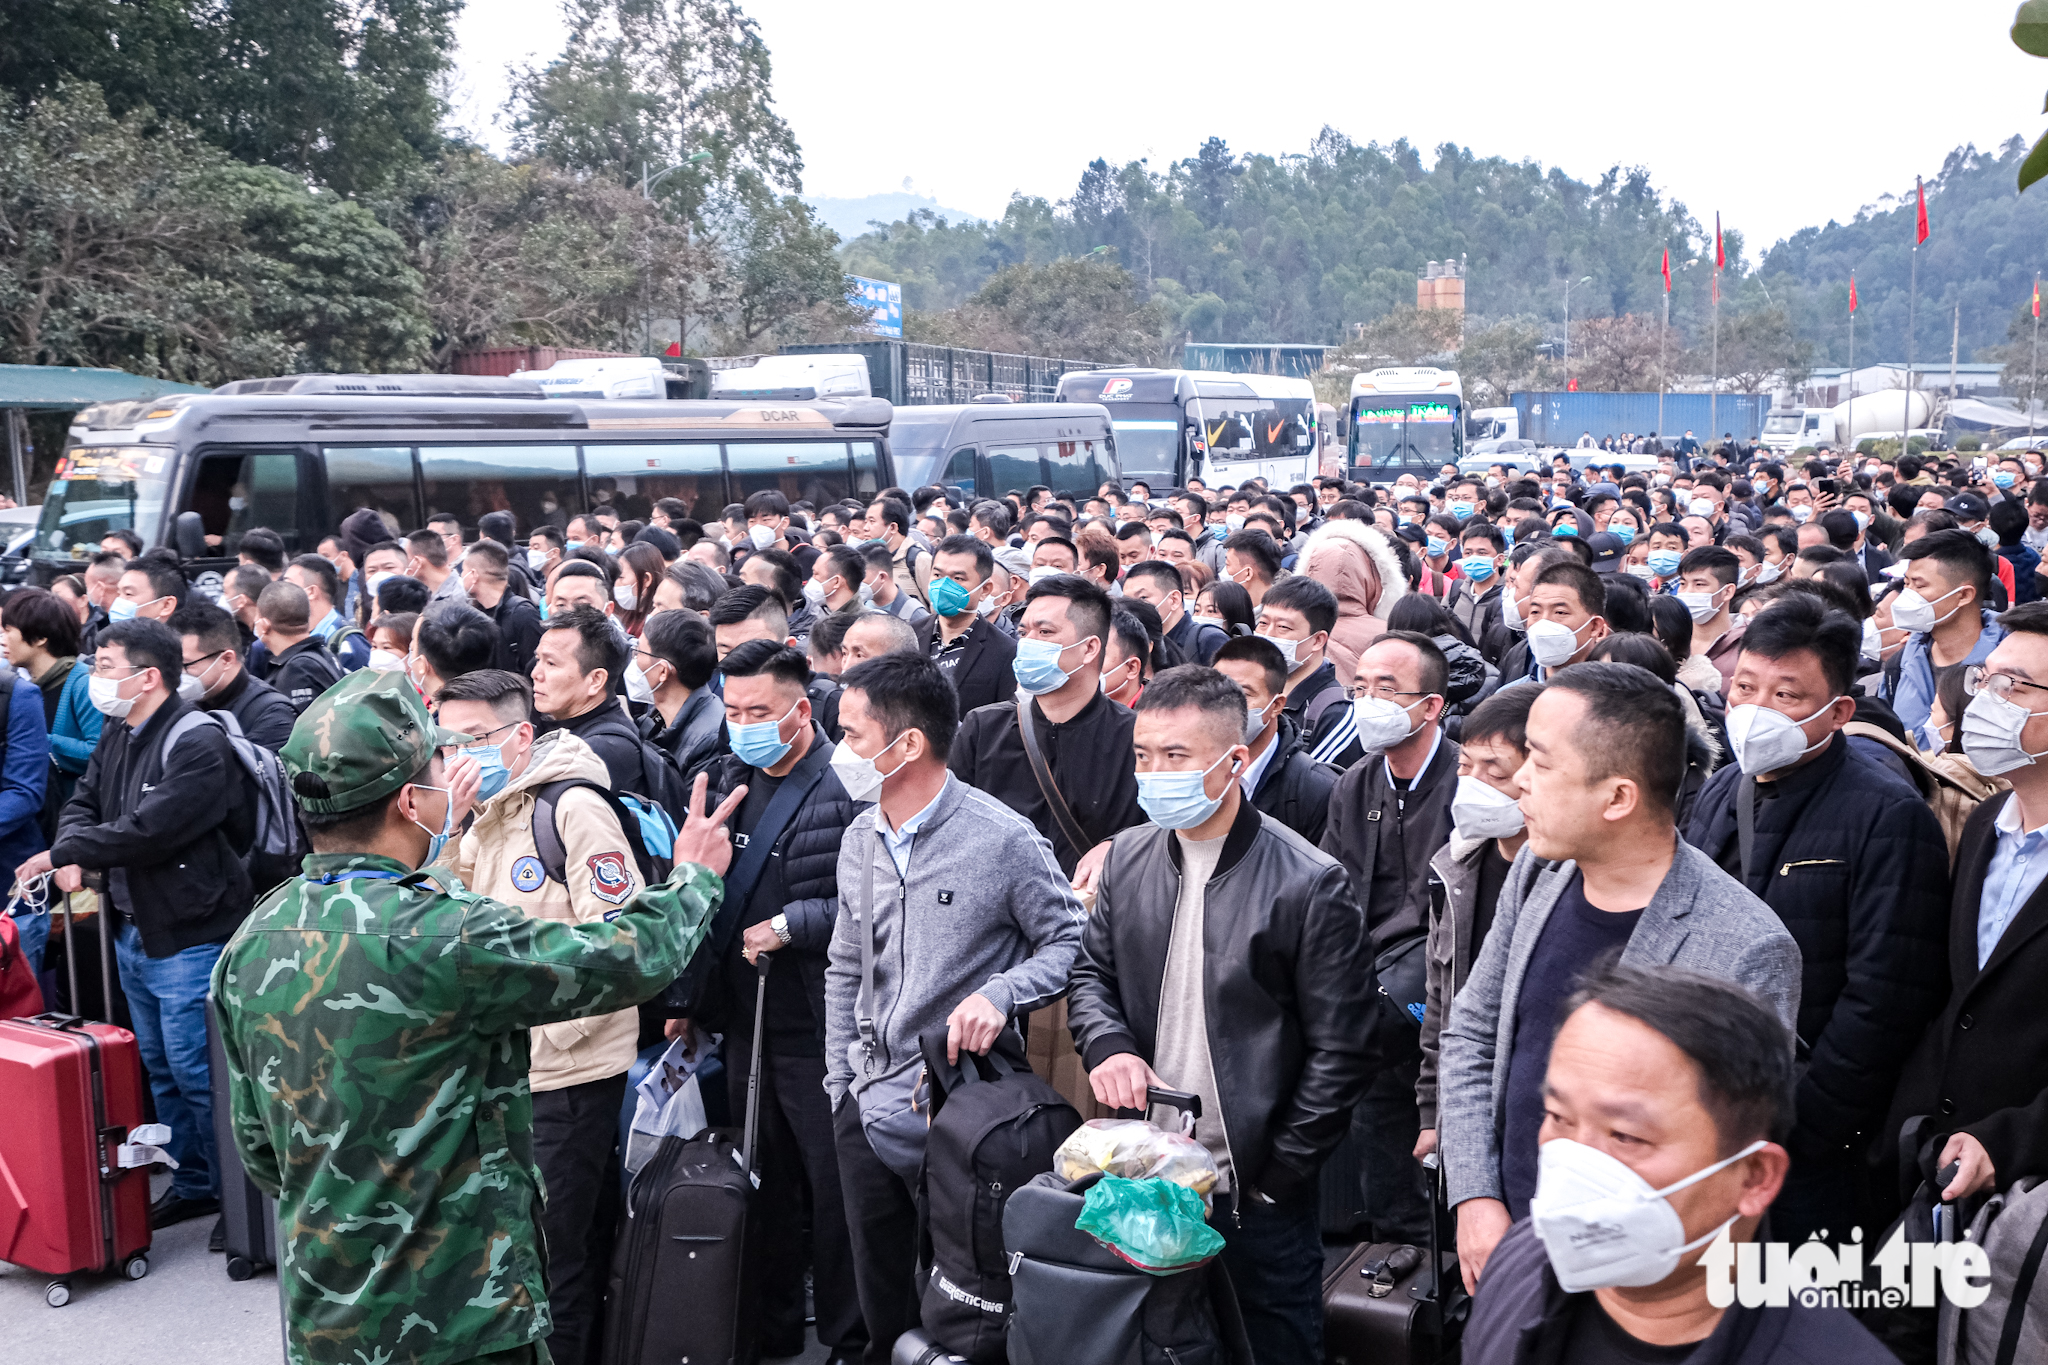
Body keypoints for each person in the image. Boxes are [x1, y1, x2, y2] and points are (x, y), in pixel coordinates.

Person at [208, 669, 744, 1365]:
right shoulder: (447, 934)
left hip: (326, 1306)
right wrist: (695, 876)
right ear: (410, 799)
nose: (454, 773)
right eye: (439, 764)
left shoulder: (254, 938)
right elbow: (623, 959)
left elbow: (259, 1148)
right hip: (462, 1310)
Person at [1439, 663, 1801, 1293]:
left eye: (1542, 764)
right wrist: (1474, 1195)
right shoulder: (1539, 873)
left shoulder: (1745, 945)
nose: (1519, 782)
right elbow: (1472, 1032)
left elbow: (1727, 1162)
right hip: (1510, 1246)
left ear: (1618, 797)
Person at [1069, 664, 1384, 1365]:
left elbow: (1345, 1049)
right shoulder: (1130, 856)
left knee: (1269, 1345)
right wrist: (1108, 1046)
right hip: (1145, 1171)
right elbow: (1092, 972)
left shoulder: (1306, 881)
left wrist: (1276, 1177)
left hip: (1251, 1188)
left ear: (1234, 759)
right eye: (1144, 755)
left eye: (1176, 756)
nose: (1154, 773)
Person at [824, 652, 1085, 1365]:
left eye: (850, 733)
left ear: (906, 742)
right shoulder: (859, 836)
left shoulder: (1000, 836)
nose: (839, 749)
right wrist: (838, 1080)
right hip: (865, 1103)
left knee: (964, 1301)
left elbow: (1070, 940)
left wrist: (1002, 992)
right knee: (883, 1300)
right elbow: (846, 963)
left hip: (964, 1115)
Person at [1461, 960, 1896, 1365]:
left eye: (1626, 1136)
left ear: (1754, 1177)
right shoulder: (1520, 1262)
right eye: (1559, 1117)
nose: (1577, 1158)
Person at [1683, 595, 1950, 1245]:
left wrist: (1803, 1122)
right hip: (1708, 1113)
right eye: (1746, 686)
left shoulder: (1886, 813)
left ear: (1838, 712)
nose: (1757, 710)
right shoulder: (1724, 787)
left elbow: (1886, 996)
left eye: (1788, 695)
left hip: (1811, 1140)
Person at [434, 668, 649, 1365]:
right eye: (447, 744)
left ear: (520, 736)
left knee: (558, 1262)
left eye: (475, 739)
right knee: (522, 1254)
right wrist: (450, 828)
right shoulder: (484, 815)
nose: (459, 758)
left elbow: (624, 942)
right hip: (505, 1073)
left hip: (568, 1070)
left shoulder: (572, 808)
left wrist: (544, 1026)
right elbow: (441, 921)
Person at [21, 618, 250, 1246]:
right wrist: (72, 843)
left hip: (189, 932)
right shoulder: (121, 731)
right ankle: (198, 1181)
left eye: (104, 665)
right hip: (133, 928)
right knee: (161, 1069)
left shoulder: (196, 741)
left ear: (148, 676)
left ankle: (241, 1199)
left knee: (201, 1072)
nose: (95, 677)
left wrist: (63, 853)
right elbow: (83, 801)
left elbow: (150, 830)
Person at [695, 641, 865, 1362]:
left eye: (758, 711)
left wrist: (796, 923)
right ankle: (765, 1329)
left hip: (820, 1028)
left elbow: (869, 899)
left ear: (801, 709)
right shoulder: (724, 772)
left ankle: (850, 1334)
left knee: (838, 1198)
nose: (742, 724)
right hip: (745, 1024)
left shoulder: (847, 782)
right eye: (732, 710)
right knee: (758, 1188)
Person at [1318, 630, 1459, 1244]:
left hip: (1441, 970)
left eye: (1387, 689)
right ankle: (1388, 1244)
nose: (1368, 701)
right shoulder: (1356, 780)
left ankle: (1431, 1251)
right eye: (1360, 687)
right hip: (1369, 963)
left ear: (1431, 706)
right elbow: (1333, 884)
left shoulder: (1467, 781)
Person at [947, 574, 1145, 881]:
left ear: (1090, 648)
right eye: (1023, 632)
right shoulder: (983, 728)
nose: (1027, 644)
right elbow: (948, 824)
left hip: (1089, 915)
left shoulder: (1137, 738)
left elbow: (1162, 827)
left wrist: (1118, 846)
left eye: (1045, 632)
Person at [1415, 687, 1535, 1161]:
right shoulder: (1455, 869)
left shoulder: (1564, 876)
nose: (1475, 782)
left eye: (1495, 770)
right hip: (1467, 1107)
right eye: (1466, 767)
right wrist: (1432, 1111)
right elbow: (1440, 1002)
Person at [531, 604, 683, 808]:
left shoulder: (602, 751)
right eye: (538, 659)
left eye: (551, 664)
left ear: (595, 680)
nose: (535, 674)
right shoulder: (568, 726)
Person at [1211, 636, 1339, 845]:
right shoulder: (1189, 768)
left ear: (1277, 705)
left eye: (1242, 694)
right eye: (1214, 692)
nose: (1224, 706)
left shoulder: (1316, 789)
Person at [5, 586, 98, 814]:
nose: (3, 639)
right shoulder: (19, 683)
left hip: (65, 814)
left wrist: (29, 740)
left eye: (8, 630)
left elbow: (98, 752)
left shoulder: (82, 683)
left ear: (40, 638)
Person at [171, 601, 299, 751]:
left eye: (186, 664)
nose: (178, 673)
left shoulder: (272, 713)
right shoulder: (185, 703)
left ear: (226, 659)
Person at [916, 533, 1017, 714]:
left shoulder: (1005, 651)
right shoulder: (910, 635)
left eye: (958, 578)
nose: (944, 585)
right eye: (937, 574)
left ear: (985, 589)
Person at [634, 608, 724, 781]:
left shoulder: (710, 741)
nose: (634, 659)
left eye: (638, 652)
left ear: (662, 671)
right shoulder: (655, 718)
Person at [459, 538, 545, 675]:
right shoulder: (473, 614)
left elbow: (537, 672)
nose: (461, 576)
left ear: (474, 575)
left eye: (463, 571)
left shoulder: (523, 615)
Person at [1122, 559, 1225, 667]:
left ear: (1174, 599)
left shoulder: (1208, 640)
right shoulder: (1132, 644)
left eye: (1142, 597)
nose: (1131, 606)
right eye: (1127, 599)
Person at [1673, 545, 1746, 693]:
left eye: (1699, 584)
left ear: (1727, 591)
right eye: (1683, 584)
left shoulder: (1750, 643)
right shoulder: (1667, 636)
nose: (1688, 592)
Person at [284, 553, 372, 673]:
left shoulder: (348, 641)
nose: (281, 591)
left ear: (311, 592)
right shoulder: (294, 636)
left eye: (288, 584)